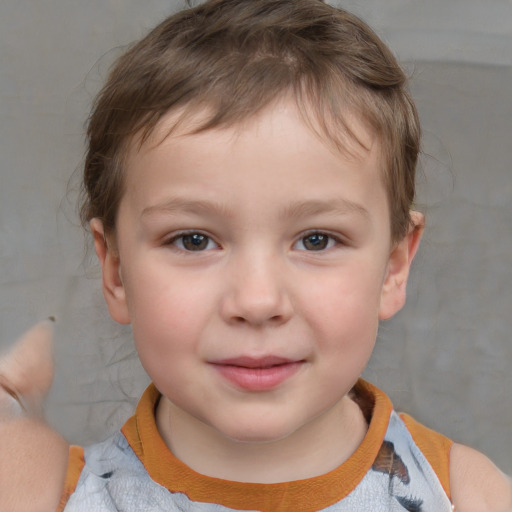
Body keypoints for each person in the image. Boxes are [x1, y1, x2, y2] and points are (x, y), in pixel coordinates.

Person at [0, 0, 511, 510]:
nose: (258, 300)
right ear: (115, 271)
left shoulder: (465, 494)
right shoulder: (46, 496)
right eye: (193, 240)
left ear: (393, 268)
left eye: (317, 240)